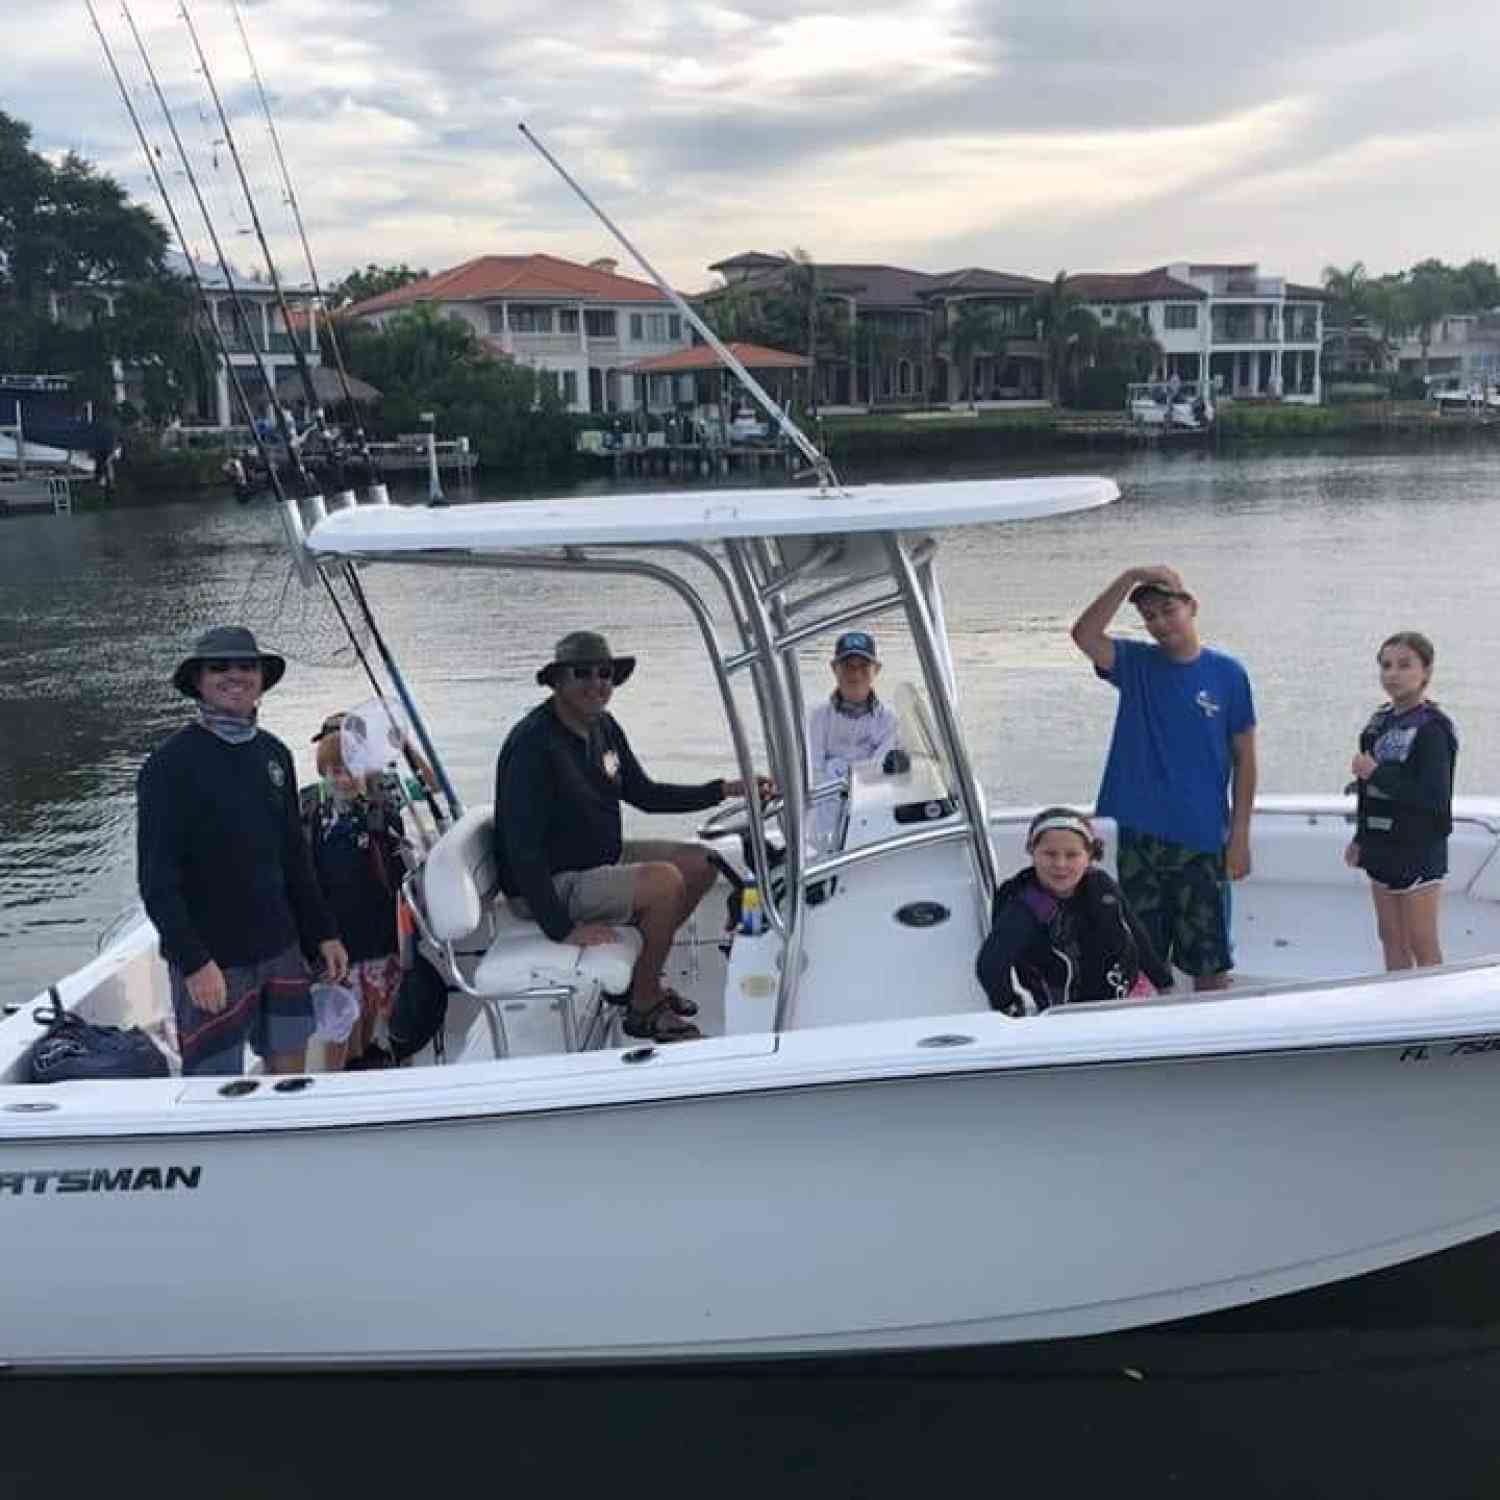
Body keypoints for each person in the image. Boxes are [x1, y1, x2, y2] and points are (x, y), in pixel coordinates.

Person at [494, 631, 769, 1043]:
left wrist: (723, 789)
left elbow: (645, 794)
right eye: (581, 673)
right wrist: (562, 928)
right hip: (553, 881)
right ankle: (644, 1005)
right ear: (558, 682)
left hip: (598, 859)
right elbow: (522, 849)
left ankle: (641, 980)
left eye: (605, 673)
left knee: (699, 864)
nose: (596, 682)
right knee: (664, 884)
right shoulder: (533, 745)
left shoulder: (602, 726)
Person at [137, 626, 348, 1076]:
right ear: (198, 681)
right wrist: (195, 964)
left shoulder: (274, 755)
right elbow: (156, 883)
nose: (235, 676)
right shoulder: (168, 765)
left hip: (280, 945)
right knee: (216, 1083)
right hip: (214, 961)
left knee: (290, 1071)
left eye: (246, 666)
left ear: (261, 679)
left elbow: (295, 857)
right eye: (219, 667)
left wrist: (323, 933)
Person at [1071, 565, 1257, 992]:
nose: (1160, 623)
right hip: (1140, 837)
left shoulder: (1228, 674)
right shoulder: (1135, 663)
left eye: (1168, 610)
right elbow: (1084, 635)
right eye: (1150, 616)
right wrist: (1128, 577)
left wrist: (1241, 833)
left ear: (1192, 607)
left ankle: (1213, 1047)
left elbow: (1246, 757)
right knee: (1140, 957)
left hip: (1203, 837)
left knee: (1209, 962)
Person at [976, 808, 1173, 1014]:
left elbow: (1135, 932)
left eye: (1072, 855)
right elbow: (991, 965)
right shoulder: (1026, 907)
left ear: (1089, 856)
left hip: (1128, 994)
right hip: (1068, 1016)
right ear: (1032, 851)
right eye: (1050, 854)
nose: (1060, 864)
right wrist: (1008, 1005)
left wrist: (1164, 983)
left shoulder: (1101, 885)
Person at [301, 713, 410, 1069]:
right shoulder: (310, 809)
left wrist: (403, 745)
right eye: (333, 770)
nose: (342, 778)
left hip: (377, 929)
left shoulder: (383, 802)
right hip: (334, 935)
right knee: (339, 1018)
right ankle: (340, 1075)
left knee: (371, 1006)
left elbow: (429, 787)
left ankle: (363, 1059)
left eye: (350, 766)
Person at [1344, 632, 1458, 971]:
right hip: (1381, 845)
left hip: (1419, 847)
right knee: (1390, 937)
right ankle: (1397, 1008)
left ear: (1426, 671)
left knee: (1421, 942)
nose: (1393, 674)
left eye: (1405, 665)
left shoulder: (1433, 729)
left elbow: (1433, 798)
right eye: (1386, 665)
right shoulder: (1377, 723)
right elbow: (1370, 792)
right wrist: (1360, 838)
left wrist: (1377, 774)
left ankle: (1436, 1016)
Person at [806, 630, 901, 845]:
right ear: (834, 669)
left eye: (863, 667)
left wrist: (839, 768)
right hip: (824, 824)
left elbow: (876, 775)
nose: (855, 674)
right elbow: (815, 772)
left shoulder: (890, 721)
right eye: (848, 666)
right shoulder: (817, 717)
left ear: (876, 669)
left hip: (869, 820)